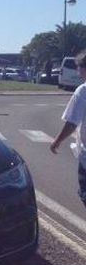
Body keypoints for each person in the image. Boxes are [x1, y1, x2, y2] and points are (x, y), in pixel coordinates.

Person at [50, 53, 86, 209]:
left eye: (79, 67)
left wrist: (57, 141)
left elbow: (72, 122)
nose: (78, 71)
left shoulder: (83, 91)